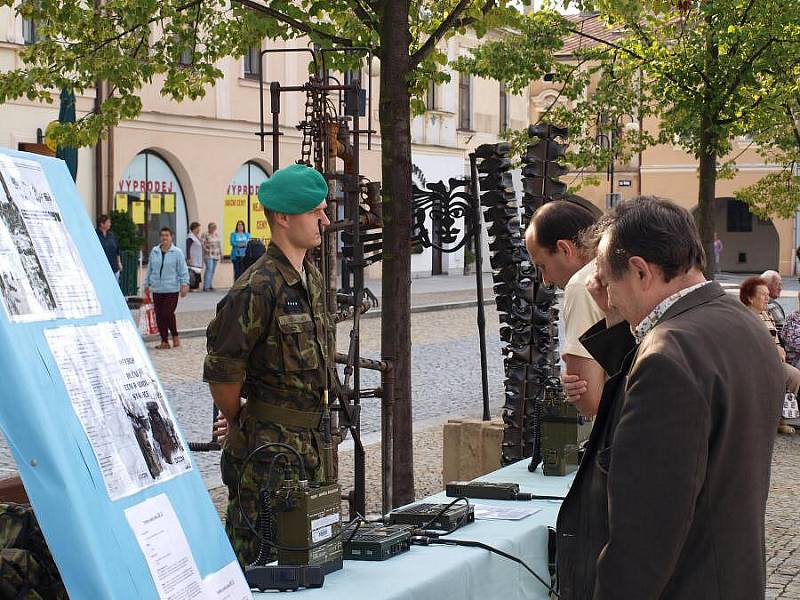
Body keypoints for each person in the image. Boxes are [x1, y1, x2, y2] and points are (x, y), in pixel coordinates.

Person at [556, 197, 783, 599]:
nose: (605, 294)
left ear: (641, 271)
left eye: (608, 282)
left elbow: (644, 534)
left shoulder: (668, 359)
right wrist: (614, 318)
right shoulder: (742, 325)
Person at [203, 163, 332, 566]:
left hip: (309, 447)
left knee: (307, 558)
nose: (324, 220)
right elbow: (223, 370)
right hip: (267, 456)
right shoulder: (256, 288)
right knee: (258, 562)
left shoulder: (310, 279)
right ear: (283, 217)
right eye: (315, 211)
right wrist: (240, 417)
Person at [524, 200, 605, 417]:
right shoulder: (621, 268)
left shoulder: (582, 284)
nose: (546, 280)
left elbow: (590, 401)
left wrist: (577, 380)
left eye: (542, 266)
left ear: (564, 249)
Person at [740, 276, 799, 435]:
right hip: (756, 362)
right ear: (750, 298)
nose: (768, 298)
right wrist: (774, 351)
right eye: (763, 294)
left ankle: (781, 417)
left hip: (773, 360)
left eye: (768, 294)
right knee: (788, 375)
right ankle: (772, 420)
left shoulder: (766, 314)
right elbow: (749, 346)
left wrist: (780, 349)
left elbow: (776, 339)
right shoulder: (744, 318)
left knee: (794, 376)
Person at [144, 227, 189, 349]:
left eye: (167, 235)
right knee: (159, 314)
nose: (164, 238)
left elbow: (183, 269)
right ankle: (164, 341)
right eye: (162, 235)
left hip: (171, 288)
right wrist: (146, 284)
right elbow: (150, 269)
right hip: (157, 288)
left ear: (171, 237)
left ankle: (175, 335)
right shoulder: (155, 251)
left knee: (167, 313)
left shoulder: (177, 252)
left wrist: (185, 284)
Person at [95, 214, 122, 281]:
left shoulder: (111, 235)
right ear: (102, 224)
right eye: (108, 222)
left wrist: (119, 263)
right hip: (101, 269)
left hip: (114, 268)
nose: (110, 224)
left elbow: (117, 250)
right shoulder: (94, 235)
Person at [760, 269, 785, 337]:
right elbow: (782, 335)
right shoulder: (772, 306)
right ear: (766, 285)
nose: (780, 288)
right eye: (777, 284)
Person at [201, 222, 222, 291]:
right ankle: (206, 286)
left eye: (214, 228)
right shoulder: (205, 234)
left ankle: (210, 285)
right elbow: (202, 243)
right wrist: (206, 250)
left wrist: (221, 253)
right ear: (209, 228)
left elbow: (219, 244)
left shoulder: (216, 234)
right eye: (212, 227)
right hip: (208, 254)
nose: (213, 229)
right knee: (209, 269)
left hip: (216, 254)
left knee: (212, 270)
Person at [186, 222, 203, 291]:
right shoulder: (190, 237)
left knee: (197, 272)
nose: (199, 230)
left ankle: (196, 286)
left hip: (197, 258)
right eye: (198, 228)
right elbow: (188, 247)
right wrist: (189, 257)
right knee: (193, 272)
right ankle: (193, 287)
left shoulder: (196, 237)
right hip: (193, 257)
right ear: (194, 228)